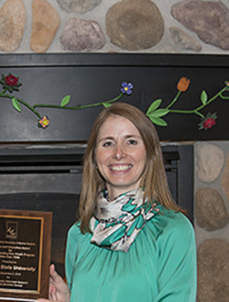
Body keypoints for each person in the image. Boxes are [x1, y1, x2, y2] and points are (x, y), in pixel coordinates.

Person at [37, 102, 197, 302]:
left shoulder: (173, 230)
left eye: (131, 141)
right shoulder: (80, 233)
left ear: (149, 154)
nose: (118, 153)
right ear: (95, 158)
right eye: (108, 143)